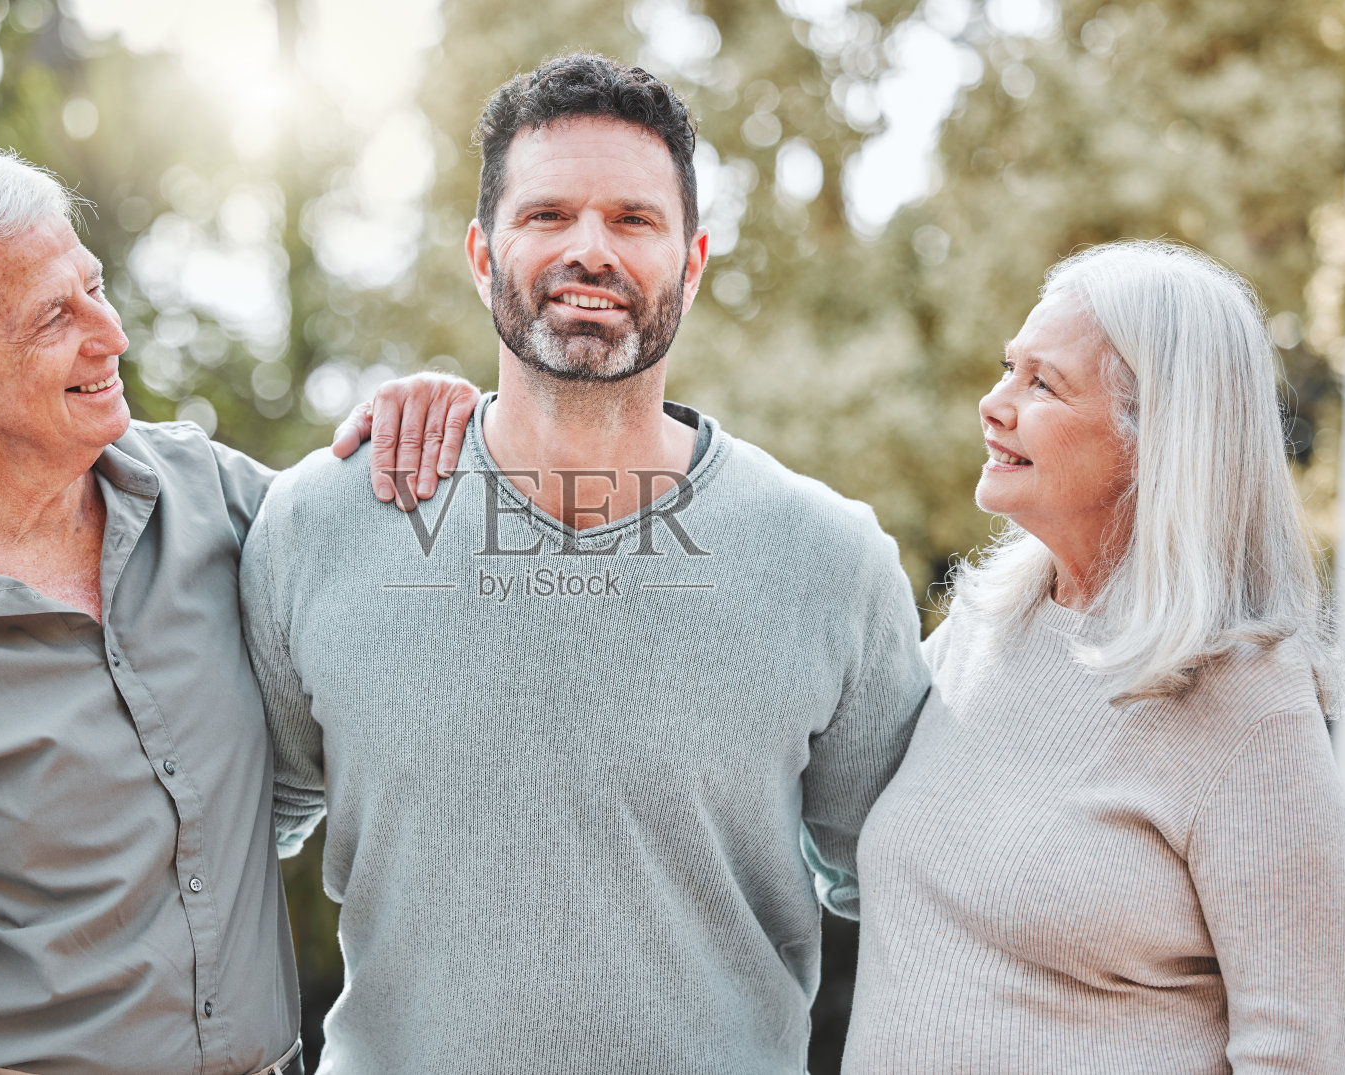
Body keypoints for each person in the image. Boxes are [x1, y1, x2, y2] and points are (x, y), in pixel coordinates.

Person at [237, 53, 929, 1073]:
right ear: (482, 254)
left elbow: (921, 886)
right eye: (548, 215)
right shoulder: (319, 524)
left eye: (634, 221)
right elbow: (219, 834)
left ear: (692, 262)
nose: (589, 251)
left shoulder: (828, 560)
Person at [0, 149, 475, 1073]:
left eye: (93, 287)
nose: (111, 334)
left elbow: (378, 585)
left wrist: (431, 407)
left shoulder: (214, 496)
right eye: (55, 315)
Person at [846, 241, 1345, 1072]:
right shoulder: (987, 624)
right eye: (1010, 368)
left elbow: (1305, 1050)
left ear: (1158, 436)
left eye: (1043, 384)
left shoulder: (1250, 705)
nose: (993, 404)